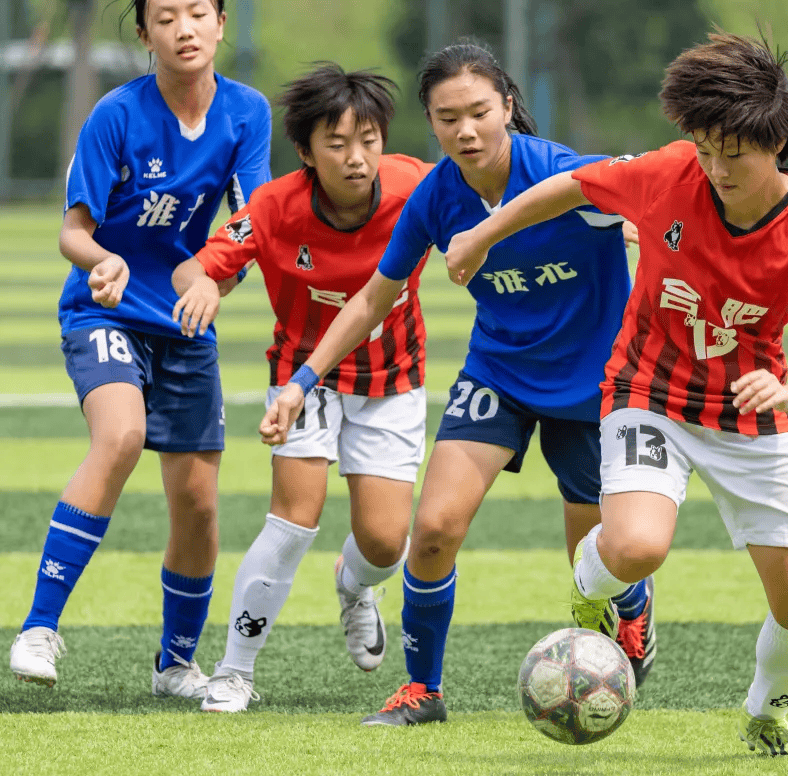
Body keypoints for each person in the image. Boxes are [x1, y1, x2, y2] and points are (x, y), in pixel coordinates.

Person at [444, 30, 788, 759]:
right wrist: (484, 235)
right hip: (648, 393)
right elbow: (575, 185)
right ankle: (589, 590)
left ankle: (767, 714)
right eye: (706, 149)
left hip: (750, 415)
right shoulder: (669, 173)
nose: (716, 169)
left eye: (735, 153)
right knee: (635, 546)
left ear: (779, 142)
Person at [259, 40, 654, 727]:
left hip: (593, 386)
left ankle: (633, 606)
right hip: (498, 374)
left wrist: (638, 234)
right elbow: (371, 299)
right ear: (431, 124)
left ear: (508, 106)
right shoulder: (437, 196)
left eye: (479, 112)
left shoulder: (562, 171)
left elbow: (654, 193)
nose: (466, 131)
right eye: (448, 118)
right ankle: (423, 690)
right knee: (435, 528)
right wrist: (301, 381)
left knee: (596, 560)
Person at [8, 0, 270, 697]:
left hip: (184, 322)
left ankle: (175, 664)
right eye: (166, 16)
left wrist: (213, 277)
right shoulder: (116, 114)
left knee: (200, 504)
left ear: (221, 23)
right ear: (144, 33)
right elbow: (73, 231)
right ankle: (38, 628)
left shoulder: (247, 113)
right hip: (105, 311)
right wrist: (104, 261)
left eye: (198, 12)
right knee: (120, 436)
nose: (184, 28)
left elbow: (253, 224)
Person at [171, 64, 432, 713]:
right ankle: (234, 671)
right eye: (336, 144)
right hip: (301, 378)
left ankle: (354, 584)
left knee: (385, 543)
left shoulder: (417, 187)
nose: (356, 158)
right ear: (306, 151)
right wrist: (203, 287)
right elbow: (196, 269)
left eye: (368, 140)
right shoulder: (272, 207)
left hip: (392, 377)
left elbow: (492, 217)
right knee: (293, 520)